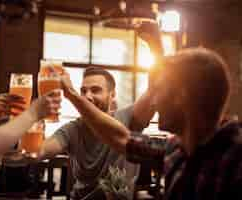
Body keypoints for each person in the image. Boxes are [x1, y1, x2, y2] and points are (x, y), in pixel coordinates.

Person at [61, 47, 242, 200]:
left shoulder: (235, 158)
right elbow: (121, 138)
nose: (154, 102)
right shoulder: (176, 150)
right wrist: (71, 95)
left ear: (182, 96)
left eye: (159, 91)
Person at [39, 67, 139, 199]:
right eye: (83, 91)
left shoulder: (128, 117)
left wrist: (157, 50)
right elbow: (38, 152)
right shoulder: (73, 129)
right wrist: (31, 117)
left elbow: (154, 93)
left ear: (112, 95)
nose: (87, 96)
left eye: (95, 90)